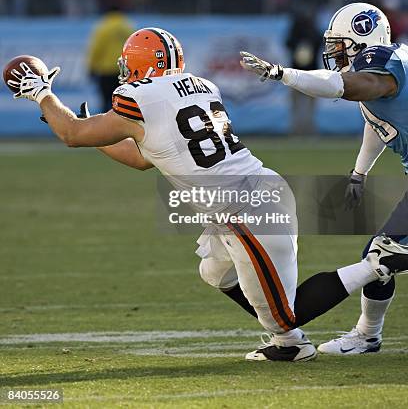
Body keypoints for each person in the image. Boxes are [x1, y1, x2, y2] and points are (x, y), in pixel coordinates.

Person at [7, 26, 408, 362]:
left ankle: (376, 266)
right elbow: (142, 157)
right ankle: (289, 345)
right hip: (247, 198)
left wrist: (42, 95)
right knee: (214, 271)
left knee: (286, 314)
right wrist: (76, 124)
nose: (125, 73)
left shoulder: (140, 97)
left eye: (130, 65)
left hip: (247, 208)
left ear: (144, 64)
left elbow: (73, 135)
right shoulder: (200, 86)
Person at [240, 1, 408, 355]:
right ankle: (368, 335)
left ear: (362, 38)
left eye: (340, 44)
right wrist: (359, 174)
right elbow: (378, 125)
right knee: (380, 254)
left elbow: (341, 84)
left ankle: (367, 335)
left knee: (382, 257)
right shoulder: (382, 80)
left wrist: (283, 74)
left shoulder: (382, 68)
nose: (334, 52)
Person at [87, 7, 134, 111]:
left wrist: (92, 67)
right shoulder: (127, 26)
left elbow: (96, 48)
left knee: (106, 103)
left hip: (106, 71)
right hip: (124, 71)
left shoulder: (103, 26)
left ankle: (107, 126)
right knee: (124, 103)